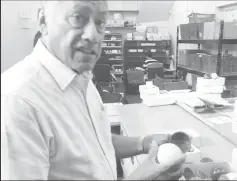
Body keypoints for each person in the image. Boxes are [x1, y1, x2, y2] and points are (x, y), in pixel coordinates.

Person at [1, 1, 185, 180]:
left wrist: (142, 143)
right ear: (43, 20)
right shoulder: (18, 101)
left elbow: (96, 142)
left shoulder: (81, 78)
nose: (93, 35)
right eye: (78, 17)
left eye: (100, 22)